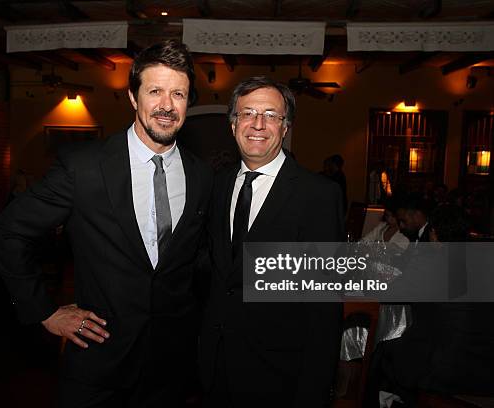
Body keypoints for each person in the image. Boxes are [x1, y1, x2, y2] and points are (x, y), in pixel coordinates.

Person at [0, 40, 213, 407]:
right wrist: (43, 311)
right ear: (132, 97)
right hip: (99, 363)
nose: (167, 106)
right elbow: (7, 231)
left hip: (170, 370)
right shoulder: (84, 167)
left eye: (179, 94)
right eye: (155, 91)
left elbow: (199, 261)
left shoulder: (202, 176)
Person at [198, 76, 344, 407]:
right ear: (233, 124)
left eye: (271, 115)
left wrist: (314, 390)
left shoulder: (318, 195)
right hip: (215, 367)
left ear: (286, 126)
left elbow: (325, 306)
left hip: (280, 377)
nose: (258, 124)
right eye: (247, 113)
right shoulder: (216, 185)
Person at [364, 204, 494, 407]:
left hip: (445, 369)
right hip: (485, 368)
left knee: (380, 352)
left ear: (434, 234)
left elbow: (390, 293)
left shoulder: (432, 263)